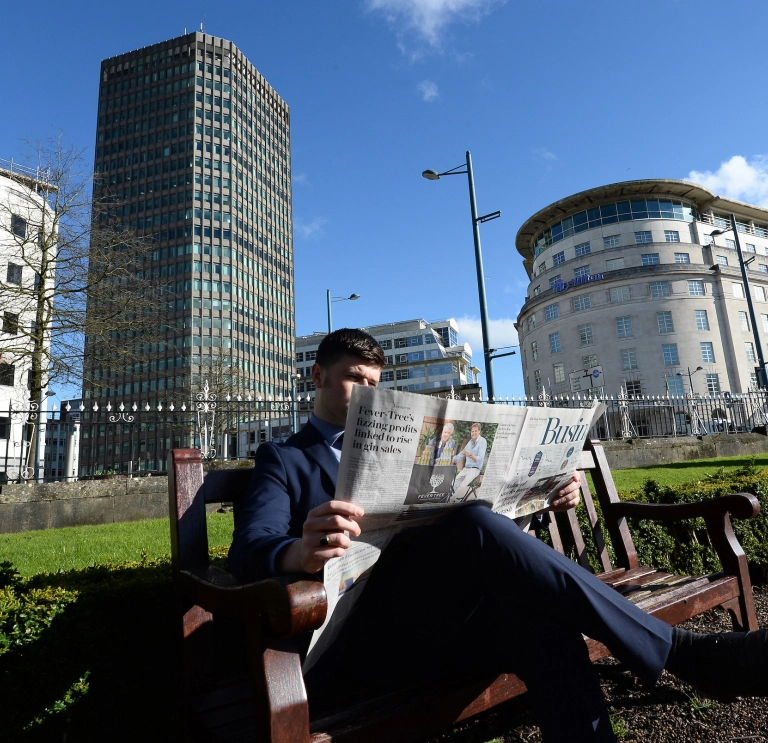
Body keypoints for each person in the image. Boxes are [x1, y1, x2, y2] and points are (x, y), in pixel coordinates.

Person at [230, 328, 768, 743]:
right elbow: (249, 549)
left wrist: (546, 495)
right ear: (319, 375)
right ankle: (688, 655)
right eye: (354, 379)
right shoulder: (286, 458)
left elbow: (489, 527)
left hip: (446, 619)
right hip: (367, 637)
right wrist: (298, 551)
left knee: (536, 615)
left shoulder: (401, 442)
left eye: (375, 384)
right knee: (472, 525)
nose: (366, 393)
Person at [451, 422, 487, 500]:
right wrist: (454, 459)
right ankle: (448, 499)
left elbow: (480, 459)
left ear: (479, 431)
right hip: (466, 468)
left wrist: (470, 455)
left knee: (462, 486)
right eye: (472, 431)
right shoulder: (470, 443)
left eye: (475, 431)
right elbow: (462, 453)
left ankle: (451, 501)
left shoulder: (482, 441)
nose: (473, 433)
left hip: (474, 469)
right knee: (455, 482)